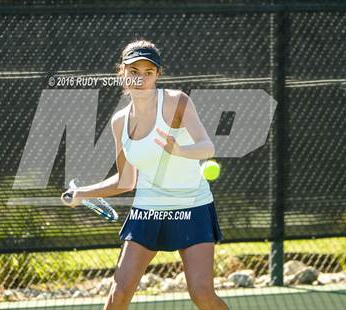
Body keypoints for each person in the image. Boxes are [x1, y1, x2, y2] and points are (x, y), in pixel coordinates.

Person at [61, 39, 228, 310]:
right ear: (122, 73)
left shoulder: (176, 102)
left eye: (148, 72)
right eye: (134, 71)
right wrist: (83, 193)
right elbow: (126, 181)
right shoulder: (119, 122)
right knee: (119, 295)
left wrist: (179, 149)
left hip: (192, 206)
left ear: (157, 75)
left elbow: (207, 146)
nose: (140, 78)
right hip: (148, 209)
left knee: (202, 294)